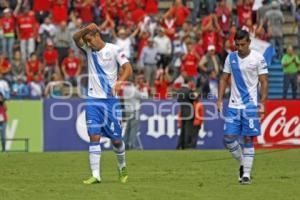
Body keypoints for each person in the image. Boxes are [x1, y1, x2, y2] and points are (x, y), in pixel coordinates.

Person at [73, 23, 132, 184]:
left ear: (97, 35)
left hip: (110, 101)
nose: (89, 44)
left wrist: (119, 82)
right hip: (93, 100)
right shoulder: (88, 50)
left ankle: (122, 167)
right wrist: (85, 30)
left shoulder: (114, 49)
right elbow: (75, 38)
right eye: (87, 42)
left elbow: (128, 68)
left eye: (90, 40)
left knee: (117, 141)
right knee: (94, 136)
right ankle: (96, 175)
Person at [217, 30, 268, 185]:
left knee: (248, 138)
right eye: (237, 44)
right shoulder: (230, 57)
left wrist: (263, 103)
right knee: (228, 139)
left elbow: (264, 81)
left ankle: (246, 174)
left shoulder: (258, 58)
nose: (239, 47)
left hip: (250, 105)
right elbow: (224, 78)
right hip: (233, 105)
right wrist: (219, 99)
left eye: (242, 44)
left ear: (249, 43)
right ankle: (242, 162)